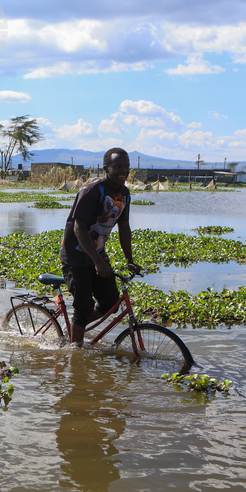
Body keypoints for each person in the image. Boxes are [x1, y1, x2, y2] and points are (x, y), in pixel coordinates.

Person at [59, 148, 141, 346]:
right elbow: (79, 229)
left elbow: (124, 227)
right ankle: (76, 352)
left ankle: (73, 329)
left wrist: (129, 259)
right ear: (106, 168)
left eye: (126, 167)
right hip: (76, 257)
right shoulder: (92, 191)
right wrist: (98, 262)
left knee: (110, 302)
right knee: (83, 307)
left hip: (97, 254)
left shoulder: (125, 193)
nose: (123, 171)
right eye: (118, 166)